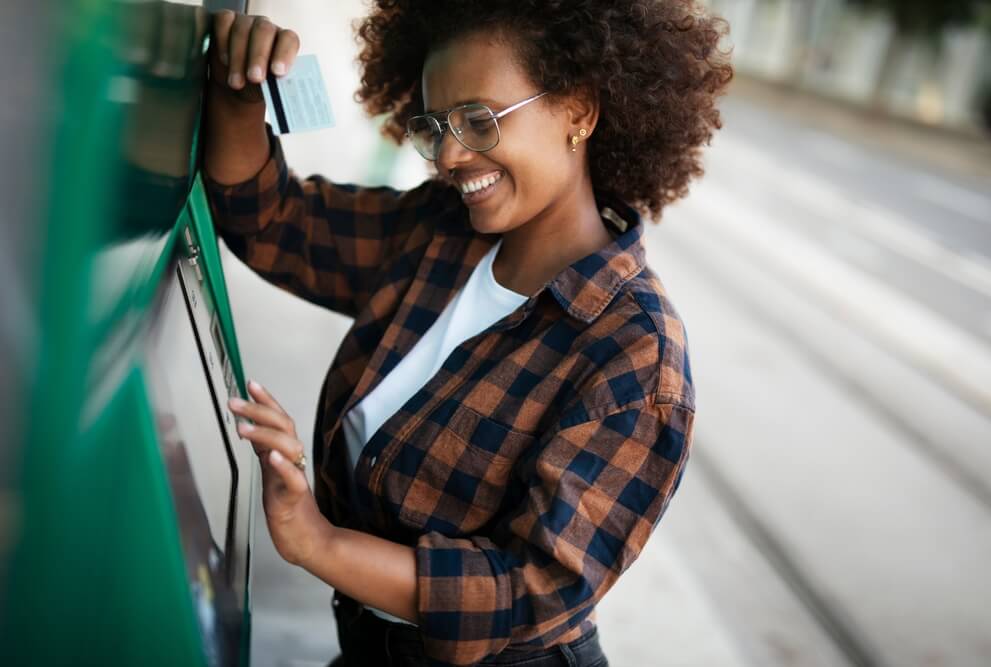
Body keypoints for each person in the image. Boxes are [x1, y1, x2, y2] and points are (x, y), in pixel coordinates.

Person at [203, 2, 732, 665]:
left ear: (579, 111)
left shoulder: (634, 353)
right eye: (435, 126)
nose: (451, 155)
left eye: (480, 120)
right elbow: (273, 223)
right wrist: (235, 87)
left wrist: (316, 540)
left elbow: (530, 589)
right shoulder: (440, 232)